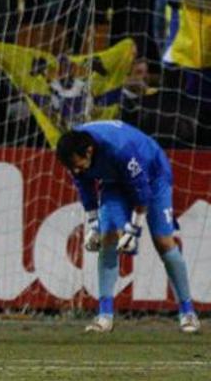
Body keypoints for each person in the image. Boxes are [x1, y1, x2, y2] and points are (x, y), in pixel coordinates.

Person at [56, 122, 201, 334]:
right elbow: (85, 187)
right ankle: (105, 315)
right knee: (108, 238)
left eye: (78, 164)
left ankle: (188, 312)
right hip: (114, 181)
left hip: (153, 174)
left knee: (163, 241)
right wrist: (94, 225)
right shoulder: (74, 153)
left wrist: (134, 230)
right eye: (72, 167)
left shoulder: (120, 149)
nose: (76, 170)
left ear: (89, 151)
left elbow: (142, 192)